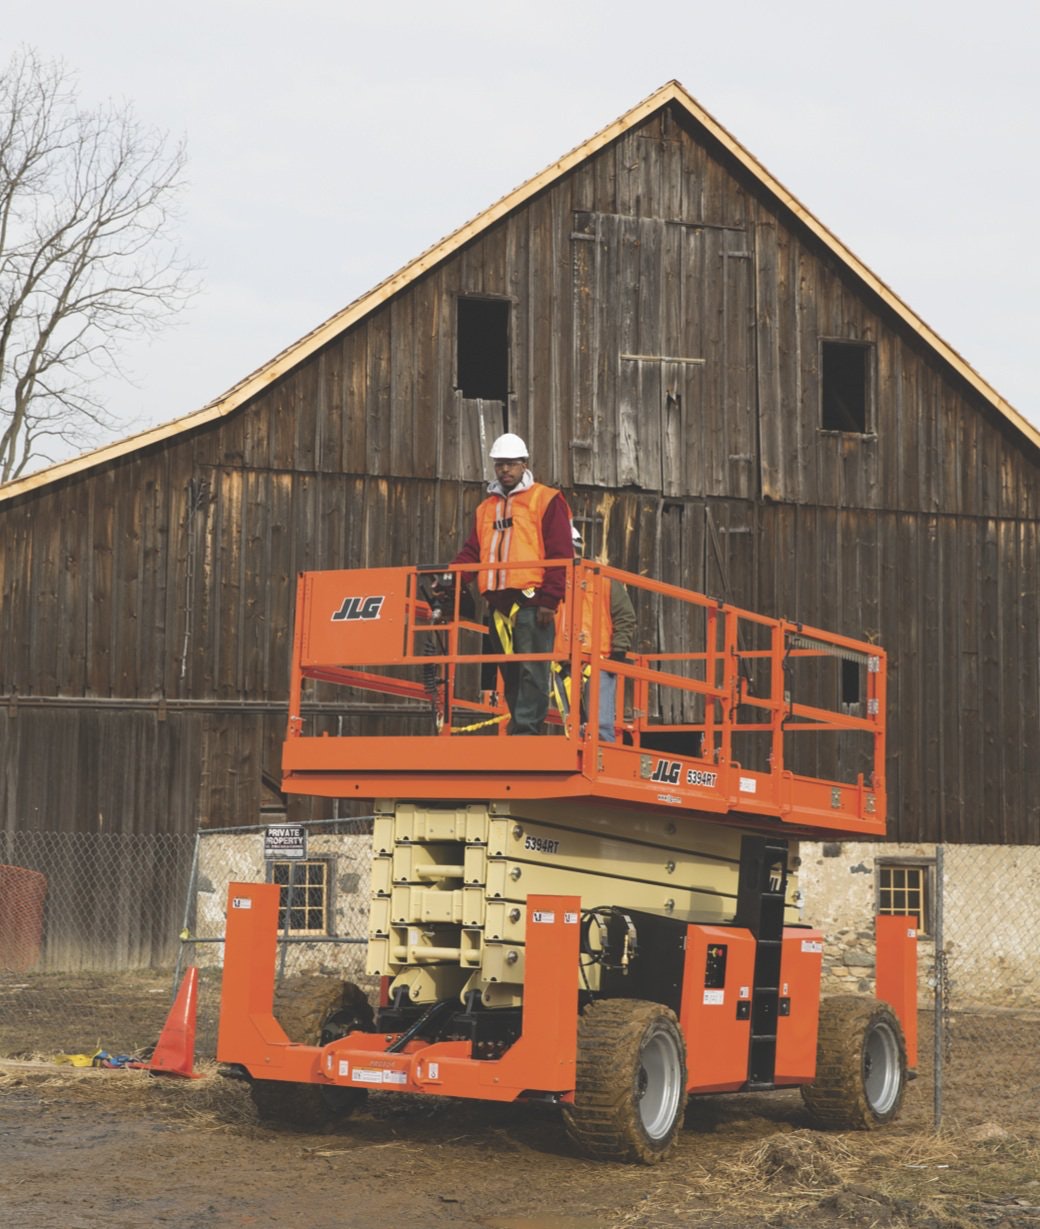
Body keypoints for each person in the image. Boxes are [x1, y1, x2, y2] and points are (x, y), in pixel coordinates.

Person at [448, 433, 573, 734]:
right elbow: (473, 552)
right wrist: (452, 578)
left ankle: (526, 732)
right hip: (498, 607)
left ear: (524, 464)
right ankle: (520, 727)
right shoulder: (486, 509)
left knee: (533, 670)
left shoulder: (546, 500)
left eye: (511, 464)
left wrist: (549, 600)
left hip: (532, 603)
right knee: (511, 672)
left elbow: (561, 553)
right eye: (500, 464)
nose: (505, 470)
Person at [568, 525, 636, 742]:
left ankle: (603, 760)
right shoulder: (555, 579)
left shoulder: (604, 578)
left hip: (599, 660)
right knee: (571, 724)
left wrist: (618, 650)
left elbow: (625, 616)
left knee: (600, 725)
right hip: (563, 660)